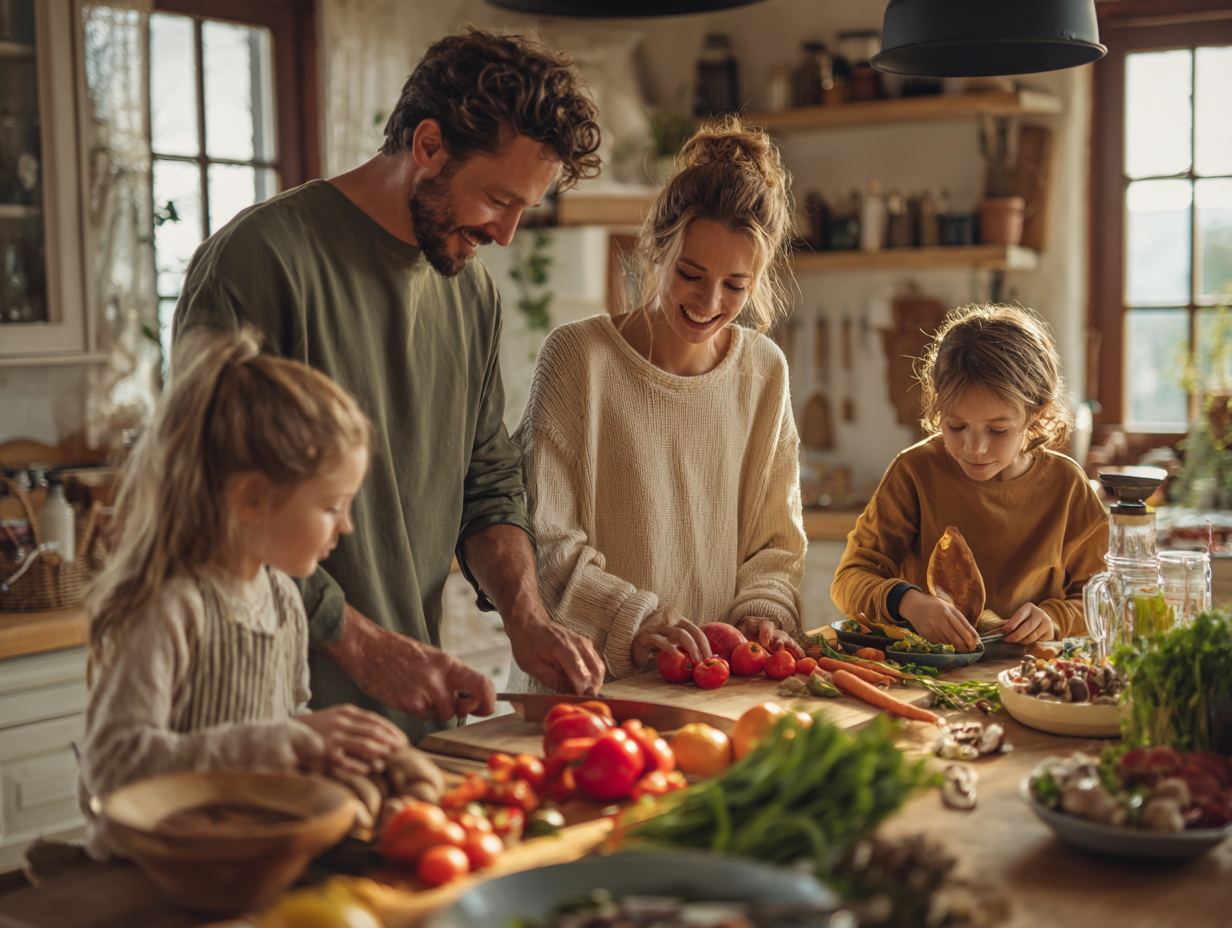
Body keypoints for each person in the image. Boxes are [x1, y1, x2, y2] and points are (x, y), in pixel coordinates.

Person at [172, 29, 607, 743]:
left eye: (524, 208)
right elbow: (207, 503)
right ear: (428, 145)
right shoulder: (258, 262)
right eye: (498, 198)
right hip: (260, 730)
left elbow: (487, 481)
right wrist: (364, 648)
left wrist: (527, 617)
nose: (506, 234)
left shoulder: (472, 295)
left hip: (404, 726)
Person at [78, 329, 435, 859]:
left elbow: (280, 730)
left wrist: (326, 750)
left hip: (240, 859)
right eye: (331, 506)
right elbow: (111, 766)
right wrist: (287, 741)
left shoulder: (286, 602)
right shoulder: (172, 607)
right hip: (150, 873)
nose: (347, 526)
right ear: (250, 500)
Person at [508, 119, 807, 689]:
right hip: (589, 690)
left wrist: (763, 610)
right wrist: (634, 617)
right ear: (654, 248)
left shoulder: (764, 371)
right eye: (691, 274)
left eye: (735, 285)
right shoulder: (578, 359)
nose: (709, 302)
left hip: (714, 692)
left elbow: (777, 542)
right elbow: (545, 542)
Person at [831, 303, 1108, 651]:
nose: (974, 448)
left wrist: (1055, 618)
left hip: (1029, 674)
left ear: (1038, 413)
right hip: (931, 672)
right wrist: (909, 602)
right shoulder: (915, 471)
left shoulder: (1067, 486)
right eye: (956, 426)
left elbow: (1104, 596)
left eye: (998, 430)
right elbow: (849, 580)